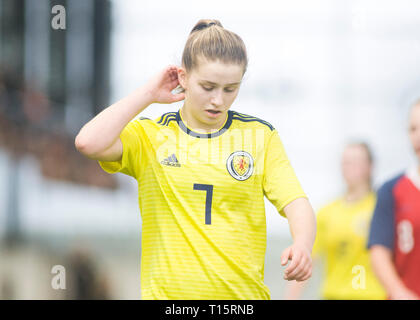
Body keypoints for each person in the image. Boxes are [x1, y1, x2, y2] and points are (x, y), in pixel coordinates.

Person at [75, 19, 316, 300]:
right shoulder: (152, 136)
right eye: (208, 86)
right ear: (183, 77)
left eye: (230, 89)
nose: (218, 100)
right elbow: (88, 142)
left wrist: (302, 245)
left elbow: (297, 203)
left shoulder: (260, 137)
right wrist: (148, 94)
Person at [285, 142, 386, 300]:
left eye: (356, 161)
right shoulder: (326, 212)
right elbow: (307, 258)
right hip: (334, 295)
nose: (349, 167)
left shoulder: (381, 208)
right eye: (345, 162)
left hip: (373, 295)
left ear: (370, 166)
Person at [367, 99, 420, 300]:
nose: (418, 136)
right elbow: (379, 251)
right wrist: (399, 292)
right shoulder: (392, 189)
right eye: (413, 129)